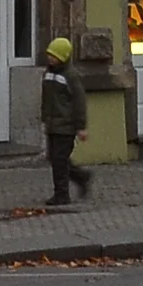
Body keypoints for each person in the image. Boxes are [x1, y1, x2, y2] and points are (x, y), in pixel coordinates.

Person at [40, 35, 93, 206]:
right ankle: (81, 176)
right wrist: (44, 117)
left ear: (62, 57)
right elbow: (46, 98)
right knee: (53, 158)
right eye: (49, 54)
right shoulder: (48, 73)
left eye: (54, 55)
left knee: (59, 159)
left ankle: (62, 194)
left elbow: (79, 102)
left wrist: (81, 127)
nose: (50, 58)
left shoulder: (71, 76)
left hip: (66, 126)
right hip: (52, 124)